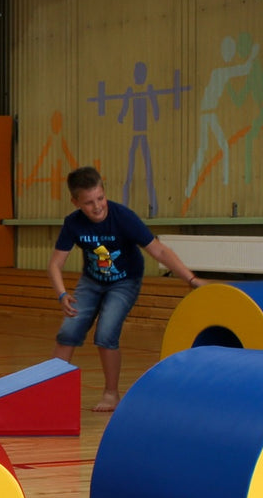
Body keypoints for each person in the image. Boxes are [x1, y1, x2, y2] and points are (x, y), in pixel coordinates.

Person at [48, 166, 209, 412]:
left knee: (106, 334)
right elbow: (55, 264)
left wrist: (190, 279)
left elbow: (159, 250)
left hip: (125, 281)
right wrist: (62, 294)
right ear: (75, 202)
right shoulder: (73, 224)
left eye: (100, 198)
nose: (98, 206)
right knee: (68, 331)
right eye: (89, 202)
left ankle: (111, 394)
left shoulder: (123, 217)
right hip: (91, 281)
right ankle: (51, 392)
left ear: (104, 193)